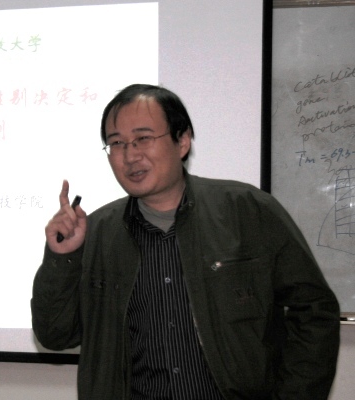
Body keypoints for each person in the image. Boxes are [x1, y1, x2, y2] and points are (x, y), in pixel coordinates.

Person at [30, 84, 340, 400]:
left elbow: (314, 310)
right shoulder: (96, 233)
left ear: (182, 141)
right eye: (117, 143)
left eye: (143, 138)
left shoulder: (248, 210)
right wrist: (62, 258)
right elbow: (55, 335)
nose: (130, 155)